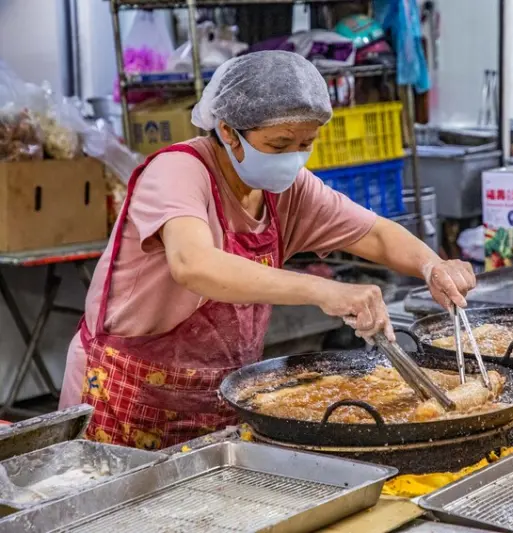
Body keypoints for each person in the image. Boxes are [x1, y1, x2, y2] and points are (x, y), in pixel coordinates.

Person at [60, 51, 476, 450]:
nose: (294, 157)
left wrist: (432, 265)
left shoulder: (288, 189)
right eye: (279, 145)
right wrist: (323, 291)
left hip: (219, 396)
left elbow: (375, 235)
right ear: (227, 130)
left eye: (306, 143)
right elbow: (193, 264)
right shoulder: (178, 171)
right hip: (128, 397)